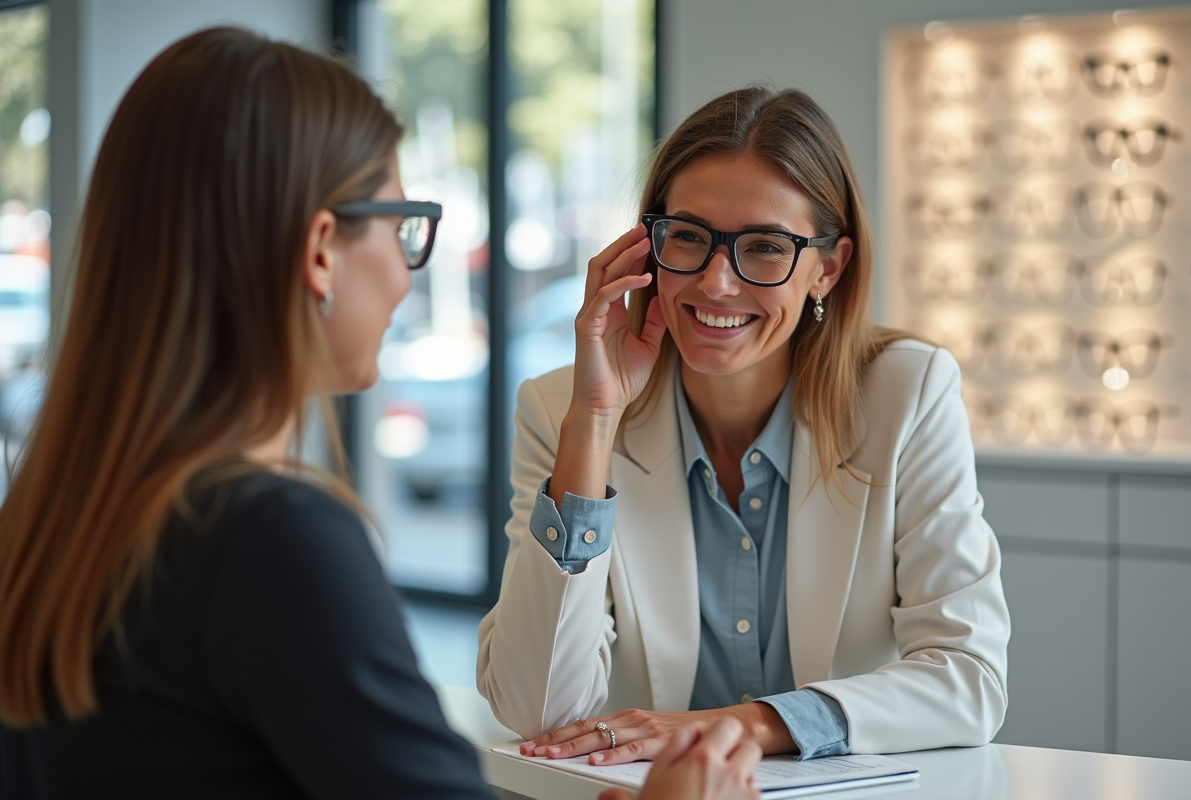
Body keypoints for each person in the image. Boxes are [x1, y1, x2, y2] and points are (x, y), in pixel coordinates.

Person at [0, 28, 759, 800]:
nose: (404, 274)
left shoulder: (50, 519)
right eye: (403, 228)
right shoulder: (271, 541)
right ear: (323, 250)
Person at [477, 85, 1010, 766]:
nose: (716, 282)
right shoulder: (564, 411)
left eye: (763, 247)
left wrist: (747, 725)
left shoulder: (906, 395)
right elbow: (536, 710)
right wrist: (595, 423)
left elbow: (971, 680)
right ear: (646, 248)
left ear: (827, 268)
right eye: (690, 238)